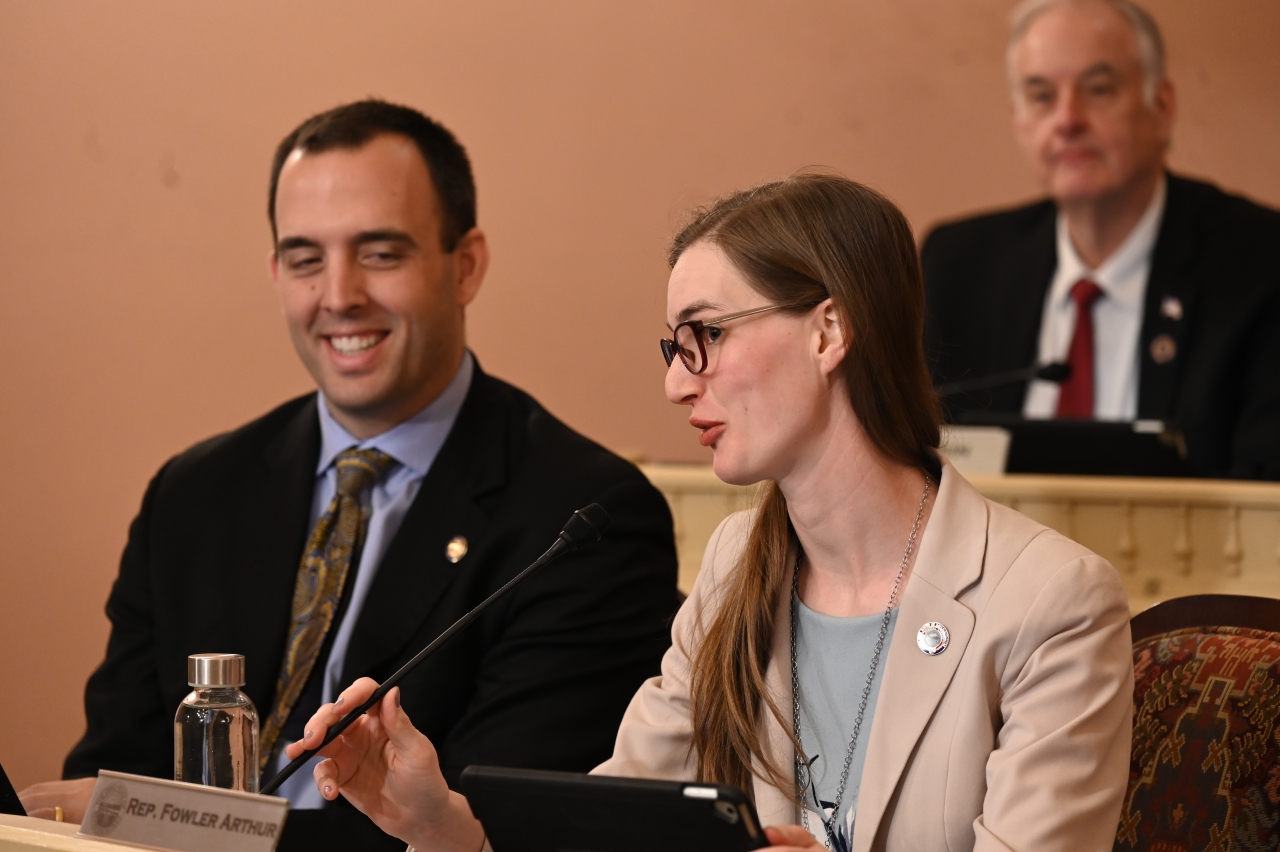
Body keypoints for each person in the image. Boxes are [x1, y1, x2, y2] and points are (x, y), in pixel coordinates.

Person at [291, 174, 1134, 852]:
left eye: (707, 335)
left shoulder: (1050, 601)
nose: (675, 381)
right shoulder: (739, 564)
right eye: (673, 345)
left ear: (828, 331)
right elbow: (609, 831)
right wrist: (439, 823)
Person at [18, 100, 679, 850]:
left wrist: (178, 829)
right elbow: (105, 781)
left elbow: (490, 830)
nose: (338, 296)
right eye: (305, 259)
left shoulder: (585, 519)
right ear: (276, 273)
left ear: (465, 265)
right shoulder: (192, 495)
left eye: (380, 253)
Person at [922, 0, 1280, 480]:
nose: (1068, 119)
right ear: (1019, 120)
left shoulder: (1260, 262)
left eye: (1098, 89)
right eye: (1042, 96)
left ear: (1162, 107)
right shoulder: (959, 267)